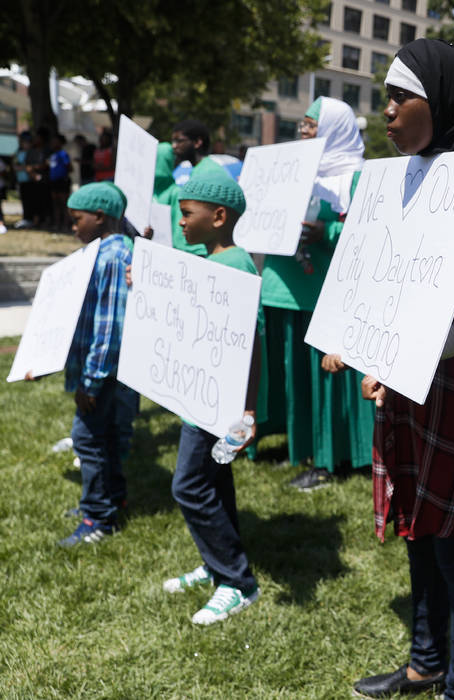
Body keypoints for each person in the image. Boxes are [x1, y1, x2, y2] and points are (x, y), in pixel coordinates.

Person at [328, 39, 454, 700]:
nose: (384, 112)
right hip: (412, 385)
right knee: (419, 529)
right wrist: (369, 346)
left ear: (441, 101)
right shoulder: (403, 178)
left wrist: (412, 350)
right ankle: (425, 660)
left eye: (399, 97)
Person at [154, 168, 263, 625]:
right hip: (200, 394)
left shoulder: (235, 266)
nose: (180, 222)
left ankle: (236, 582)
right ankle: (216, 559)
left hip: (219, 405)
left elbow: (252, 340)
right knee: (215, 483)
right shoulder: (213, 262)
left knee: (189, 485)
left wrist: (249, 408)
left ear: (218, 216)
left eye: (186, 213)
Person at [257, 96, 373, 491]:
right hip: (281, 287)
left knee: (323, 380)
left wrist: (328, 233)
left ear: (334, 130)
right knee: (289, 374)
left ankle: (329, 458)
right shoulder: (290, 169)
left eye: (311, 125)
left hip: (324, 294)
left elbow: (370, 234)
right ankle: (290, 442)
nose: (303, 132)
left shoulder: (356, 178)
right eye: (303, 125)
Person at [47, 183, 134, 546]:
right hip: (101, 370)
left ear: (99, 217)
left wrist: (91, 380)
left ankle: (97, 516)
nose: (72, 227)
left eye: (76, 219)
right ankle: (114, 496)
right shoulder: (103, 251)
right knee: (107, 434)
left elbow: (109, 326)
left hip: (102, 371)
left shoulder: (113, 256)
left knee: (86, 438)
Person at [153, 119, 223, 256]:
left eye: (179, 141)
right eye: (173, 141)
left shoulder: (210, 173)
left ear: (197, 142)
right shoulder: (197, 170)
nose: (174, 146)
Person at [48, 133, 73, 232]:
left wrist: (62, 174)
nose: (53, 143)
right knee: (56, 204)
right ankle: (57, 224)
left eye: (55, 141)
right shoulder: (53, 155)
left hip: (62, 181)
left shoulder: (63, 154)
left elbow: (70, 167)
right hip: (53, 182)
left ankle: (66, 225)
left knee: (64, 204)